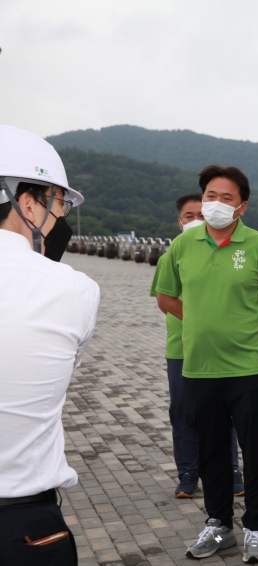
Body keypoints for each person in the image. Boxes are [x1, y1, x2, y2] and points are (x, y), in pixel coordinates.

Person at [156, 165, 258, 562]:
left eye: (226, 197)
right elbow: (166, 296)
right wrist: (201, 321)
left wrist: (247, 325)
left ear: (242, 207)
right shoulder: (183, 245)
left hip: (248, 367)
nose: (216, 204)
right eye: (210, 196)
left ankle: (256, 527)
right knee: (212, 449)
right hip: (199, 367)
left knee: (254, 447)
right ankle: (218, 524)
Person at [0, 125, 97, 565]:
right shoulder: (73, 290)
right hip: (24, 527)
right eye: (57, 203)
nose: (60, 218)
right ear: (25, 202)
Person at [149, 193, 244, 498]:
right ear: (179, 223)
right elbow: (165, 300)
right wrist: (197, 321)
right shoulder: (171, 256)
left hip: (220, 349)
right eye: (188, 216)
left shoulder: (222, 253)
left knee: (224, 412)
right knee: (183, 410)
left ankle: (231, 469)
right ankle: (188, 473)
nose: (195, 221)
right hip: (181, 347)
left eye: (200, 216)